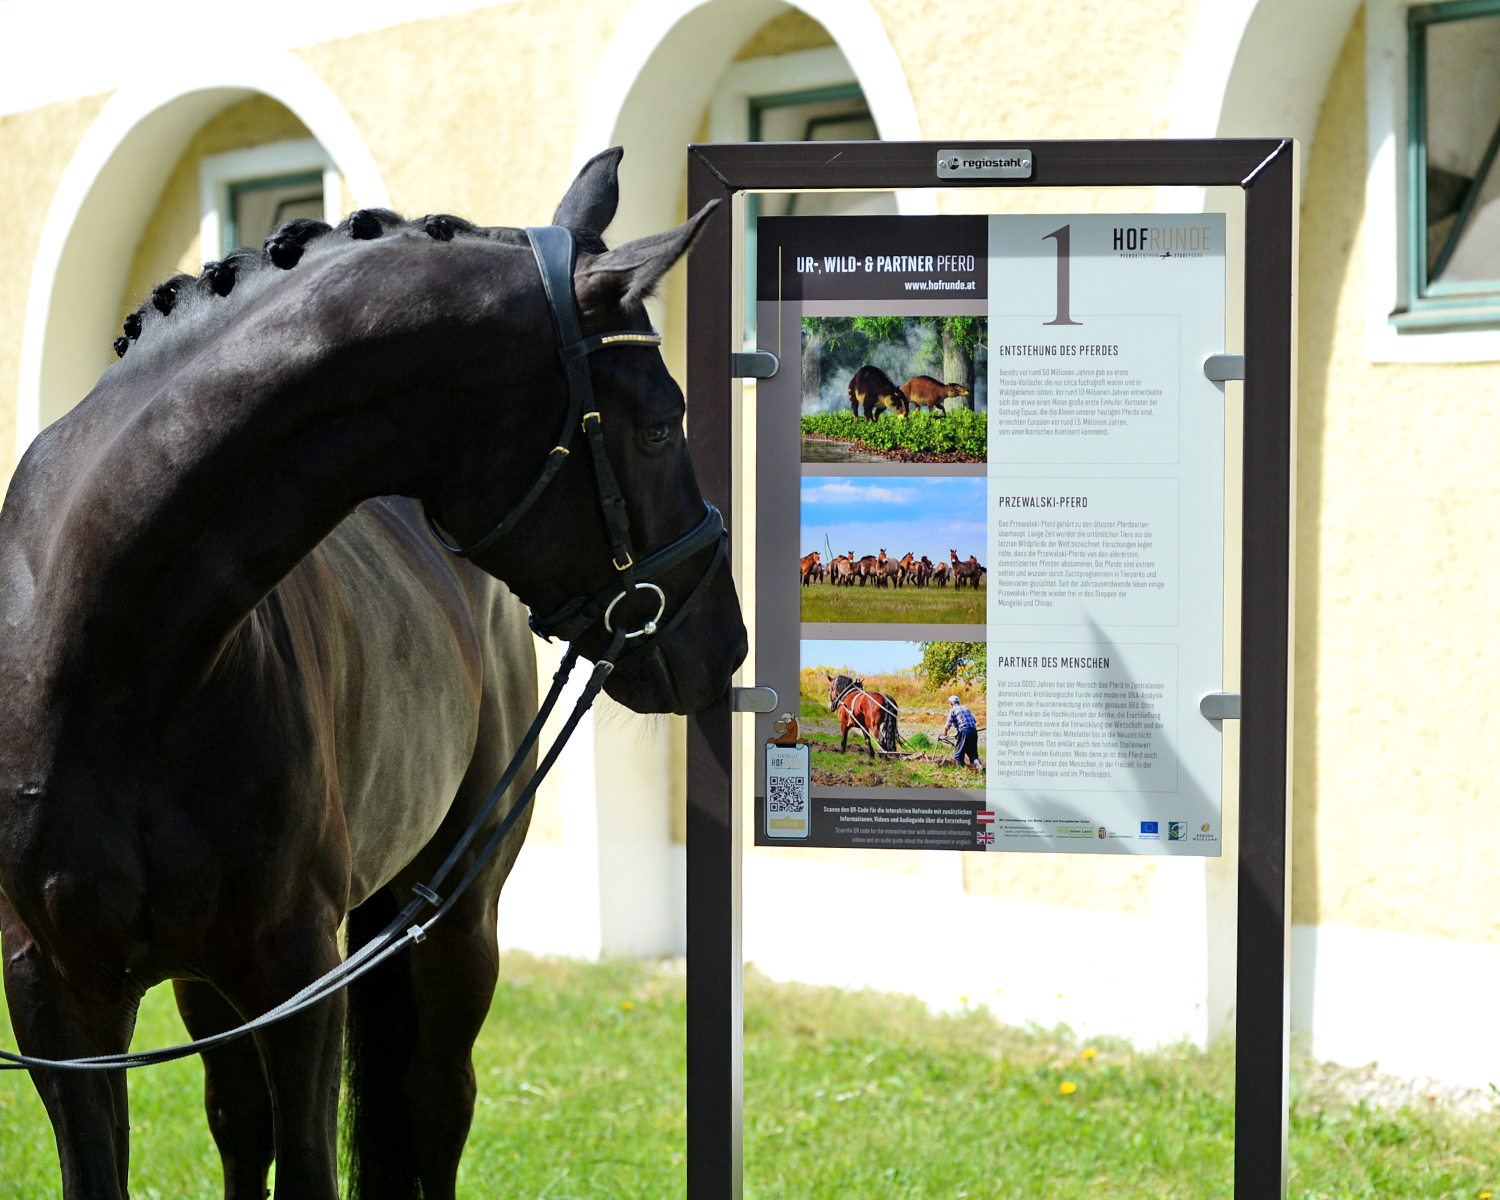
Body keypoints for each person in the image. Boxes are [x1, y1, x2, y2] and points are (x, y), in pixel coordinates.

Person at [943, 695, 979, 768]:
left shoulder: (953, 710)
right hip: (973, 731)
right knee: (973, 753)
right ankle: (979, 766)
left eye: (949, 704)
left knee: (958, 753)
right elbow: (974, 721)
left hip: (964, 731)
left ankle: (960, 770)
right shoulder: (966, 708)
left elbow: (948, 723)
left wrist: (944, 734)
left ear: (951, 703)